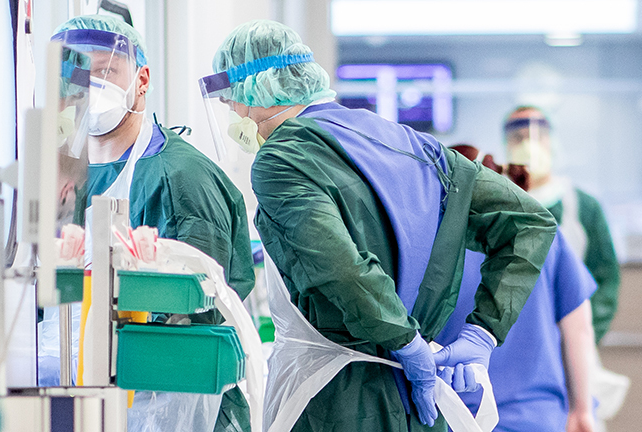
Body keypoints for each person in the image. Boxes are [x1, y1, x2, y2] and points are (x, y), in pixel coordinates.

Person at [202, 20, 557, 432]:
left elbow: (341, 267)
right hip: (420, 401)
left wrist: (406, 343)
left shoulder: (283, 158)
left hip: (339, 400)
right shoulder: (413, 144)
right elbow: (531, 222)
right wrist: (481, 335)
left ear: (258, 87)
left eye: (233, 99)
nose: (231, 109)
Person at [43, 15, 255, 432]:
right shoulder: (61, 175)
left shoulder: (179, 178)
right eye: (78, 74)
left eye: (106, 71)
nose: (91, 86)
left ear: (141, 80)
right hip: (86, 401)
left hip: (175, 411)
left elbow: (198, 315)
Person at [437, 144, 597, 432]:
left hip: (453, 417)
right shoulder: (542, 234)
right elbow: (579, 330)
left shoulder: (432, 243)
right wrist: (582, 410)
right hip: (537, 417)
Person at [503, 106, 621, 344]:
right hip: (508, 344)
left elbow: (605, 279)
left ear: (552, 142)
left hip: (571, 342)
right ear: (506, 144)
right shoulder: (495, 204)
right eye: (518, 137)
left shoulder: (582, 207)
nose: (528, 144)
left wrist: (581, 339)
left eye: (538, 136)